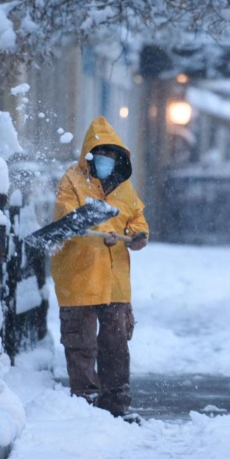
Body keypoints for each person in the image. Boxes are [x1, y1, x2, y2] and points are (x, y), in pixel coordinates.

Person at [52, 116, 149, 419]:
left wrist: (138, 235)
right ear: (90, 155)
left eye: (111, 154)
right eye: (101, 153)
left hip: (114, 281)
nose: (107, 159)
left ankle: (116, 403)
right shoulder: (72, 181)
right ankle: (86, 404)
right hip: (78, 277)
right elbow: (69, 219)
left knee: (115, 344)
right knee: (81, 344)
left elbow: (136, 218)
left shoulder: (124, 187)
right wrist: (103, 233)